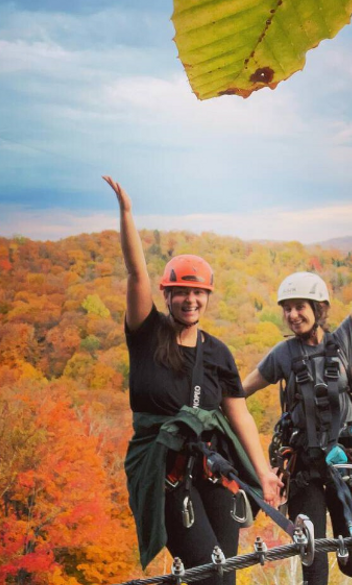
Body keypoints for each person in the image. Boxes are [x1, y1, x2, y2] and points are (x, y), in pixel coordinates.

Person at [105, 176, 281, 585]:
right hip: (163, 468)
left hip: (212, 467)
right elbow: (135, 274)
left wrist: (264, 471)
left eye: (198, 293)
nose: (190, 300)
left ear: (207, 297)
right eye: (182, 292)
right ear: (167, 295)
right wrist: (127, 214)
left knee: (226, 576)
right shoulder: (148, 335)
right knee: (207, 574)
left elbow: (240, 417)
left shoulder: (217, 353)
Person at [241, 213, 352, 585]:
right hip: (304, 472)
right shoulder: (283, 355)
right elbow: (239, 392)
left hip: (344, 464)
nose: (293, 314)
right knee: (314, 565)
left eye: (300, 307)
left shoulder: (343, 340)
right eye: (287, 308)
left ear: (319, 310)